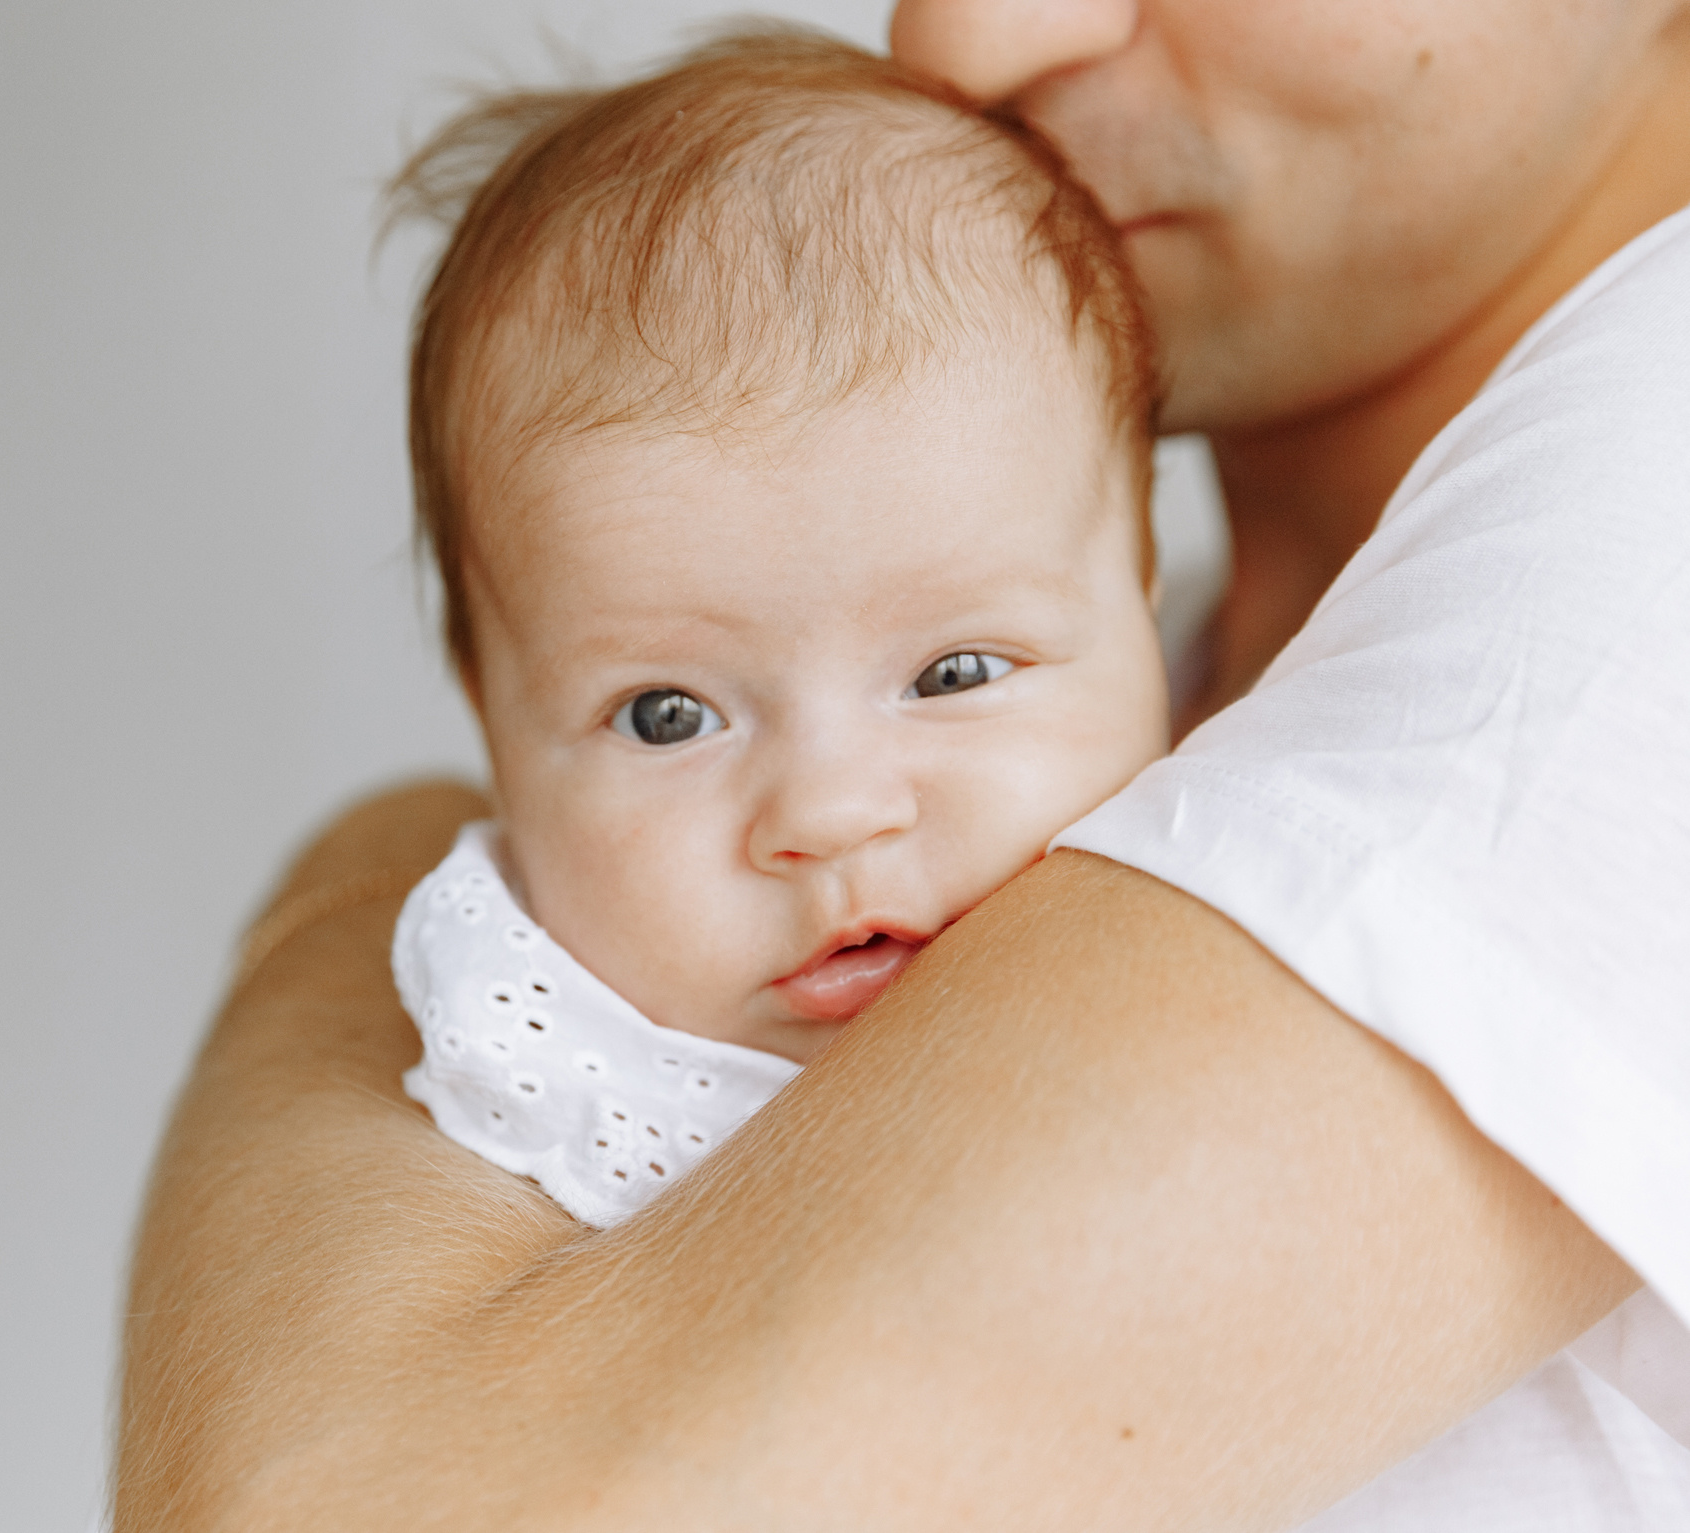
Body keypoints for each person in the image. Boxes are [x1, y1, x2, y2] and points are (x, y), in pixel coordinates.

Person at [117, 1, 1690, 1527]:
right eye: (665, 714)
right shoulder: (1165, 697)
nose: (965, 40)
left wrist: (366, 880)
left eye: (951, 676)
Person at [380, 33, 1168, 1229]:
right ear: (488, 716)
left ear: (1143, 594)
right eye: (667, 717)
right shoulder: (536, 1080)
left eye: (952, 674)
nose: (829, 814)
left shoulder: (1264, 928)